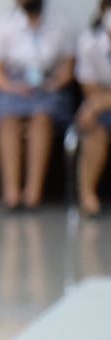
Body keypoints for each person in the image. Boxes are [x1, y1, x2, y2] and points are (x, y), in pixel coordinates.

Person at [0, 0, 77, 211]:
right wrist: (11, 87)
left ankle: (33, 194)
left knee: (42, 118)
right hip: (13, 86)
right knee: (6, 119)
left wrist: (52, 83)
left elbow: (68, 66)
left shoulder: (60, 23)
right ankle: (12, 194)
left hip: (48, 86)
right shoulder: (3, 25)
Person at [76, 0, 111, 217]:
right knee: (93, 123)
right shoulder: (89, 42)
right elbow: (90, 89)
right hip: (103, 105)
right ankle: (87, 197)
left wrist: (99, 102)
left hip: (104, 101)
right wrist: (96, 104)